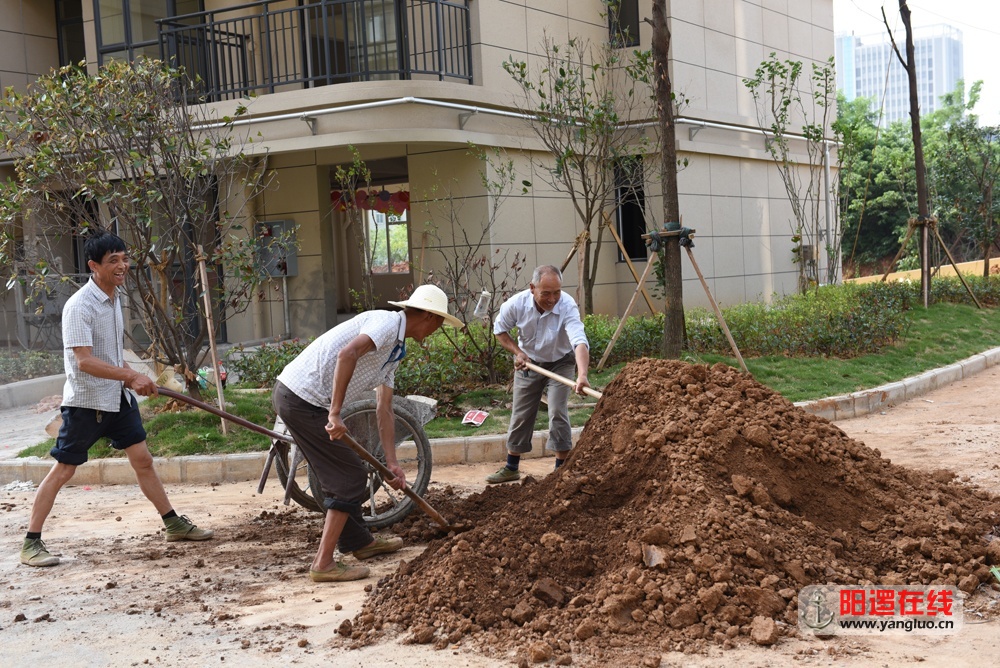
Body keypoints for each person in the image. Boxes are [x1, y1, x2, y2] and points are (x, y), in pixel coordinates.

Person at [20, 231, 213, 568]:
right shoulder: (79, 306)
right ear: (94, 266)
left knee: (142, 460)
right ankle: (31, 543)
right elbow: (85, 361)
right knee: (64, 469)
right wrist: (129, 376)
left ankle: (172, 523)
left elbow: (110, 356)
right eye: (114, 261)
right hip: (86, 403)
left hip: (117, 399)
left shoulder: (114, 299)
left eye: (124, 258)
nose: (123, 265)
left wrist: (139, 378)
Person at [272, 284, 462, 582]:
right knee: (349, 477)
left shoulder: (396, 350)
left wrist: (391, 462)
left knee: (341, 473)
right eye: (440, 322)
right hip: (302, 398)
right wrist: (335, 413)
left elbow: (383, 409)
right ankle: (323, 565)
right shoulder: (386, 323)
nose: (438, 328)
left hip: (306, 401)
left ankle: (360, 543)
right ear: (429, 317)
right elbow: (347, 354)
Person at [487, 265, 590, 484]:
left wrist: (582, 374)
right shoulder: (516, 304)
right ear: (532, 288)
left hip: (561, 362)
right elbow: (500, 330)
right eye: (546, 293)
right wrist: (518, 353)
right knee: (521, 414)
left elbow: (579, 341)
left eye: (557, 292)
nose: (552, 299)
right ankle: (511, 467)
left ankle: (560, 471)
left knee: (557, 411)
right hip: (529, 364)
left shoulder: (567, 306)